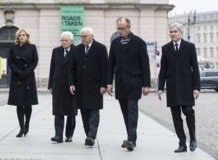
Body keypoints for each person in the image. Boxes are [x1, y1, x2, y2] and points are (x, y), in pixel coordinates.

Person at [107, 17, 150, 151]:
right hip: (120, 82)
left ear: (129, 27)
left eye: (122, 28)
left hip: (134, 82)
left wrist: (146, 84)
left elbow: (145, 64)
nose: (120, 31)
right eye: (118, 28)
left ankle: (130, 139)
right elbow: (110, 64)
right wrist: (109, 83)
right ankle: (132, 137)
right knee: (125, 112)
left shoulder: (139, 42)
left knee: (132, 110)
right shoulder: (114, 43)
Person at [158, 22, 200, 153]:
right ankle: (182, 143)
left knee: (188, 111)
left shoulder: (190, 47)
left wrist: (196, 87)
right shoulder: (165, 48)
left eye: (175, 31)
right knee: (176, 117)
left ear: (180, 33)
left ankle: (193, 138)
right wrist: (160, 88)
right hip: (172, 87)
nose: (172, 34)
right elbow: (163, 69)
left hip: (187, 86)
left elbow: (195, 68)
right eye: (171, 32)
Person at [69, 27, 108, 146]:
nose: (82, 39)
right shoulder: (77, 49)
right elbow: (72, 68)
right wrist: (71, 83)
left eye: (84, 36)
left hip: (95, 85)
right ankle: (88, 135)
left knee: (94, 111)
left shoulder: (101, 48)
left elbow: (105, 68)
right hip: (80, 85)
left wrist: (104, 85)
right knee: (84, 111)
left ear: (92, 36)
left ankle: (92, 135)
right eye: (81, 36)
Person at [7, 28, 39, 137]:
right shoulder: (13, 48)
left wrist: (26, 72)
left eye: (23, 35)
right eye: (20, 35)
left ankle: (27, 124)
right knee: (19, 104)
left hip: (28, 77)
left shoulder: (32, 47)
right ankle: (21, 128)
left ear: (27, 37)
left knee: (28, 104)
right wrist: (18, 71)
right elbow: (10, 62)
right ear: (17, 37)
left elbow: (35, 61)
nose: (21, 37)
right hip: (17, 78)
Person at [48, 31, 77, 143]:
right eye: (62, 40)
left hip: (71, 85)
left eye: (66, 40)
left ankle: (69, 135)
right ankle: (58, 135)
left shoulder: (76, 50)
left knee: (71, 112)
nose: (64, 42)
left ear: (71, 40)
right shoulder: (56, 51)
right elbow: (52, 68)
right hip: (58, 84)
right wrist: (50, 85)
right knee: (58, 111)